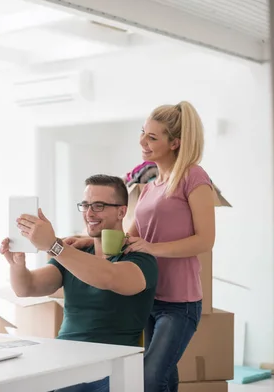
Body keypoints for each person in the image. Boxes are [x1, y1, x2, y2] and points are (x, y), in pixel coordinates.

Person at [66, 101, 215, 392]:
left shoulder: (193, 177)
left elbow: (205, 240)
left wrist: (152, 248)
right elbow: (129, 237)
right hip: (149, 296)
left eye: (152, 137)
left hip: (179, 303)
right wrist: (88, 239)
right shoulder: (149, 186)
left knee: (150, 377)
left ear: (176, 143)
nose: (142, 142)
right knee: (164, 376)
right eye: (143, 133)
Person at [0, 174, 158, 392]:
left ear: (121, 211)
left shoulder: (140, 259)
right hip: (64, 363)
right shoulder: (74, 254)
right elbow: (28, 287)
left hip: (111, 369)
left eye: (99, 206)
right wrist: (17, 264)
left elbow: (108, 277)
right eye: (85, 205)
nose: (89, 213)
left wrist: (54, 246)